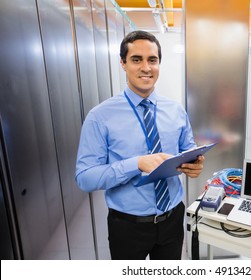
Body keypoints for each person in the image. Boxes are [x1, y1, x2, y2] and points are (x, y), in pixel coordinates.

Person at [75, 30, 205, 260]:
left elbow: (188, 151)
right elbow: (85, 177)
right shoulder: (100, 116)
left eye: (152, 60)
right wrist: (136, 164)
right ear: (123, 63)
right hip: (127, 226)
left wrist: (194, 165)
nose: (146, 67)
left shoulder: (175, 111)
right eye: (137, 59)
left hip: (172, 218)